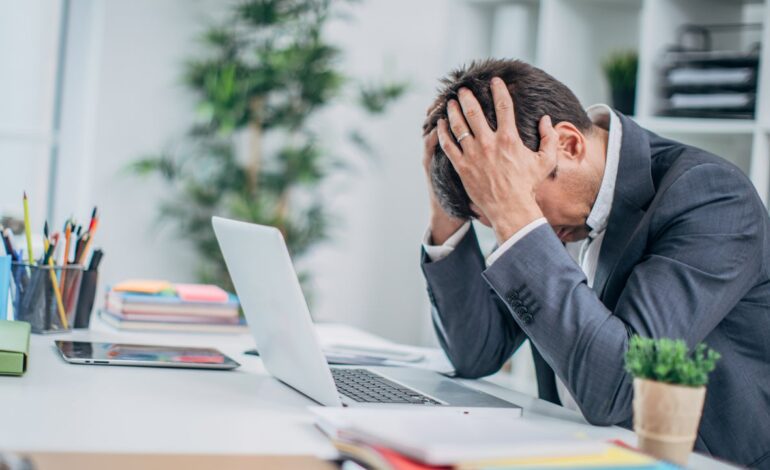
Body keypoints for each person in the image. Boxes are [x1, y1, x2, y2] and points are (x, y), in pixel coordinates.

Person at [419, 59, 770, 468]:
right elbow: (476, 353)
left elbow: (619, 388)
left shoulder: (710, 196)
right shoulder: (557, 205)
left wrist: (517, 214)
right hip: (577, 449)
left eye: (514, 201)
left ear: (568, 145)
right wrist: (448, 209)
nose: (509, 222)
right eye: (494, 215)